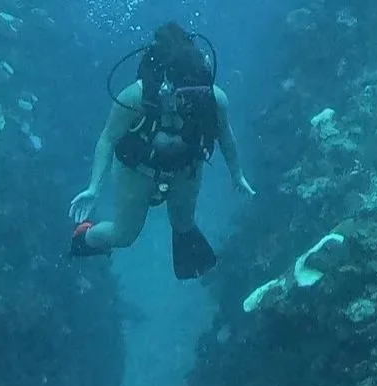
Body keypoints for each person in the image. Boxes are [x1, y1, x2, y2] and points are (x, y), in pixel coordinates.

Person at [69, 22, 253, 280]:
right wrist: (93, 188)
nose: (186, 104)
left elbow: (226, 136)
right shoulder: (137, 96)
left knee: (183, 225)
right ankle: (83, 238)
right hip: (137, 168)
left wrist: (238, 175)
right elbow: (108, 139)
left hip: (184, 168)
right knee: (124, 235)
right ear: (166, 84)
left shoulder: (214, 99)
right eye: (181, 95)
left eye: (195, 95)